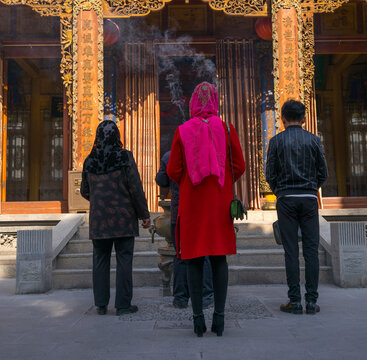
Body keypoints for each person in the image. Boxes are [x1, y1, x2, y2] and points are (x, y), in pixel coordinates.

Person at [167, 82, 245, 337]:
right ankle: (219, 318)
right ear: (215, 101)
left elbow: (173, 170)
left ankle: (198, 318)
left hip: (192, 202)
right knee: (219, 257)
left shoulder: (182, 130)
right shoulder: (226, 127)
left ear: (193, 103)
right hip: (219, 202)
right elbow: (239, 164)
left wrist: (191, 182)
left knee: (194, 258)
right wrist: (220, 181)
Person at [80, 120, 151, 316]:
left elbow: (85, 191)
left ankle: (101, 305)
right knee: (124, 261)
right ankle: (123, 305)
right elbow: (135, 188)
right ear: (117, 136)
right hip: (123, 219)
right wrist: (144, 214)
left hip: (99, 221)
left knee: (100, 261)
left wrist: (99, 200)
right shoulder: (124, 157)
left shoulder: (90, 160)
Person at [265, 100, 328, 315]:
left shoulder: (276, 141)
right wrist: (311, 188)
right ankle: (311, 301)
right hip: (309, 199)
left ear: (282, 119)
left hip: (286, 199)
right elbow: (323, 173)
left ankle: (295, 301)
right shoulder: (313, 140)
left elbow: (269, 174)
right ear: (303, 119)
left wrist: (280, 190)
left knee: (290, 250)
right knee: (311, 251)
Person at [155, 151, 214, 309]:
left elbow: (161, 180)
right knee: (204, 253)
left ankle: (180, 298)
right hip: (201, 211)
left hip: (180, 212)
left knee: (180, 255)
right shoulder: (205, 153)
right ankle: (206, 296)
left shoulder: (170, 156)